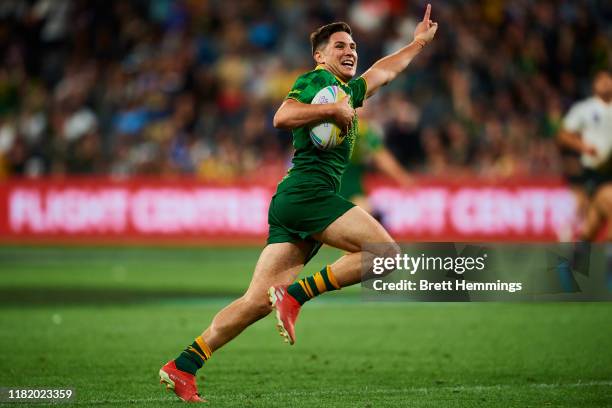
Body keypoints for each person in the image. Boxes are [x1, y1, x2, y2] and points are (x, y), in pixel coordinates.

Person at [159, 5, 438, 402]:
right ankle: (297, 295)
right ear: (320, 55)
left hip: (293, 201)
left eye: (354, 45)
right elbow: (281, 115)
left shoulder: (350, 90)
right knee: (386, 254)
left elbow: (384, 71)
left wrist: (416, 44)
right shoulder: (315, 82)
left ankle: (183, 366)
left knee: (255, 301)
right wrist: (331, 110)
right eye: (340, 45)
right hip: (309, 195)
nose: (351, 51)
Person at [558, 71, 612, 242]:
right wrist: (584, 147)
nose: (605, 83)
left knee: (593, 224)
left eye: (608, 79)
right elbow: (563, 135)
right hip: (595, 172)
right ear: (594, 84)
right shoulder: (584, 109)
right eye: (601, 79)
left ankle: (574, 265)